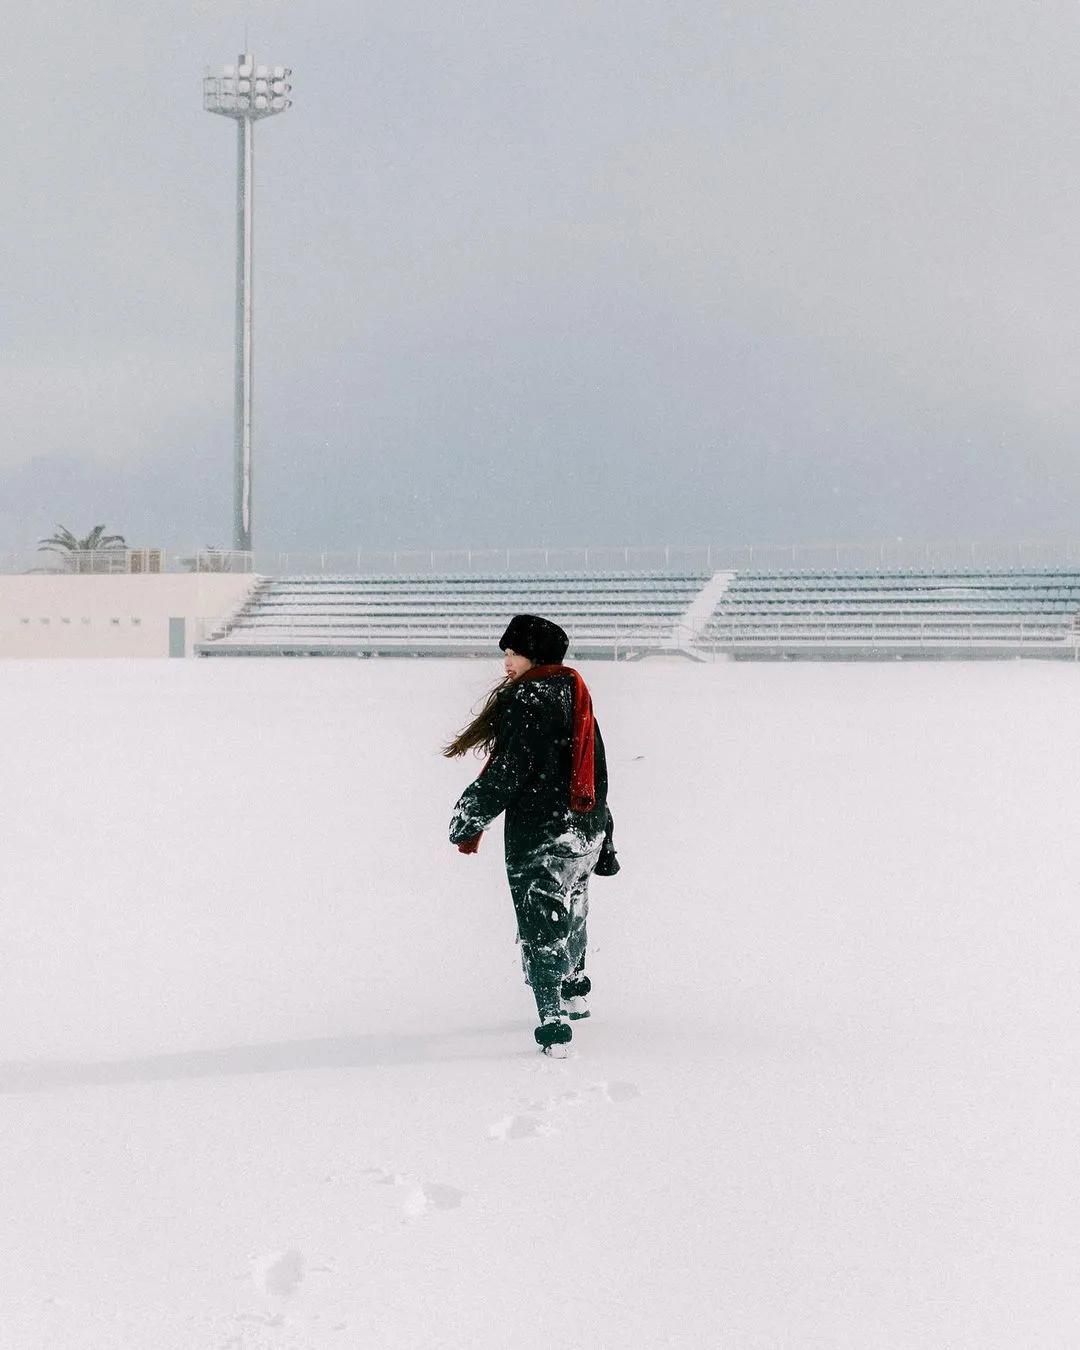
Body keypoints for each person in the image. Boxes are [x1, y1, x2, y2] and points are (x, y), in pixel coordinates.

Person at [444, 614, 619, 1056]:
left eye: (512, 653)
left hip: (541, 833)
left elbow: (510, 771)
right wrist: (606, 831)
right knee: (573, 907)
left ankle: (553, 1023)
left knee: (540, 925)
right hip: (583, 830)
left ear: (534, 655)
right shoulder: (577, 693)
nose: (506, 662)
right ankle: (574, 991)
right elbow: (596, 766)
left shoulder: (527, 699)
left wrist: (470, 814)